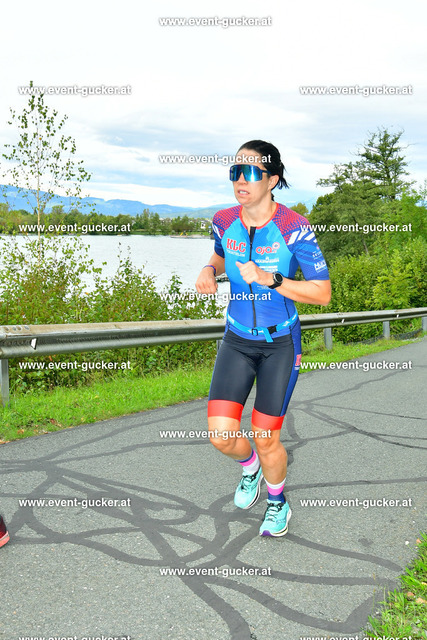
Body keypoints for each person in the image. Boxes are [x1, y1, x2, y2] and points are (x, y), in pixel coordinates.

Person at [195, 140, 331, 537]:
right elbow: (221, 253)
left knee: (265, 436)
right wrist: (208, 269)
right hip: (237, 340)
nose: (241, 180)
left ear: (271, 180)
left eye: (252, 172)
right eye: (235, 171)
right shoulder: (223, 220)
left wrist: (272, 279)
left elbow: (322, 293)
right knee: (222, 435)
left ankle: (277, 502)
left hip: (280, 344)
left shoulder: (293, 227)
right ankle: (250, 469)